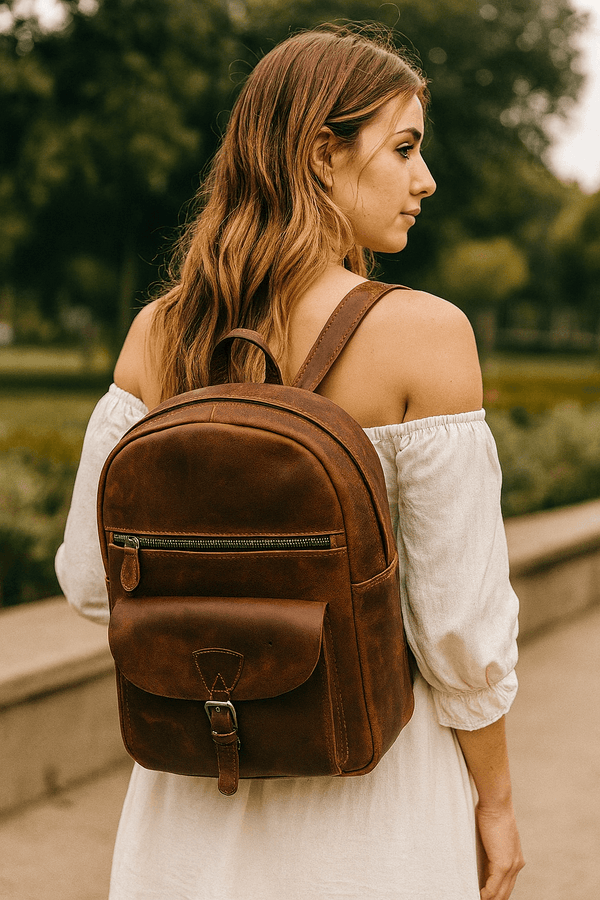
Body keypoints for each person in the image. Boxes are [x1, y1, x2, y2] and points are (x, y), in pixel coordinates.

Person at [56, 24, 524, 900]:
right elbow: (461, 631)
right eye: (406, 147)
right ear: (320, 153)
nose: (425, 180)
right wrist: (494, 799)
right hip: (373, 801)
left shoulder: (160, 333)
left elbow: (90, 582)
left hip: (187, 814)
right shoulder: (424, 334)